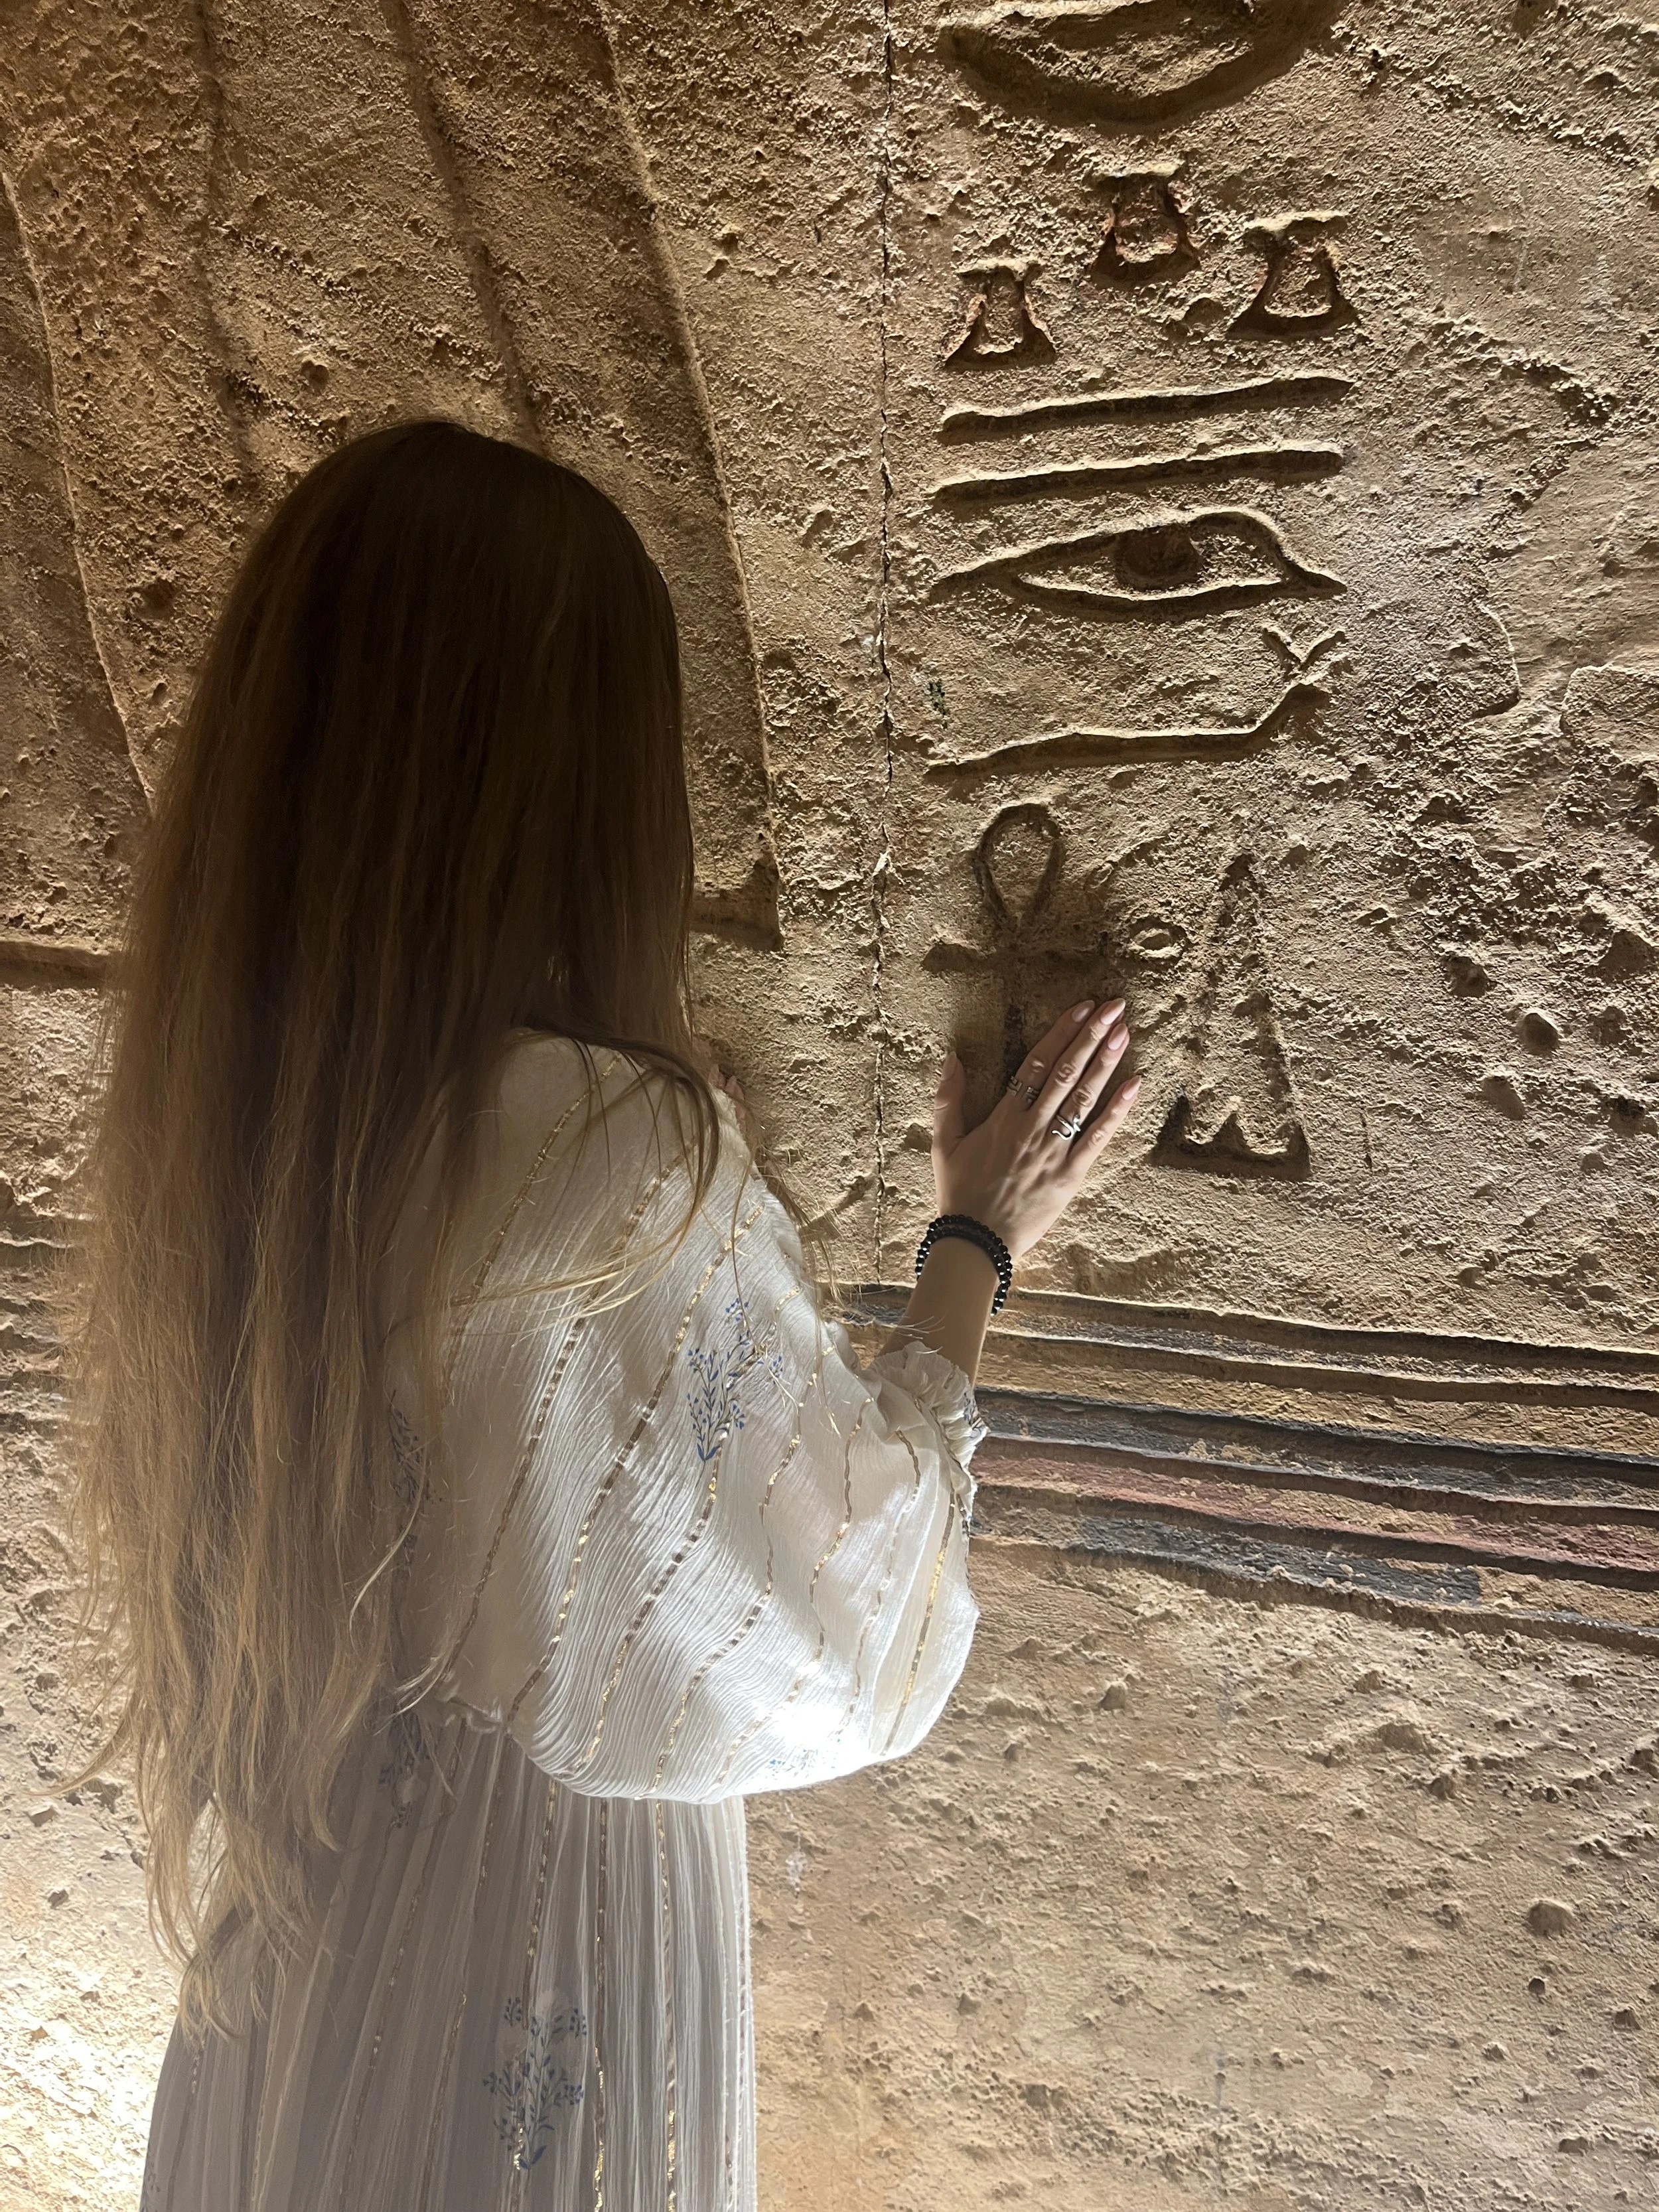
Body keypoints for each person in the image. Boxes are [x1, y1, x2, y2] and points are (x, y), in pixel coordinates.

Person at [59, 419, 1140, 2210]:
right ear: (576, 781)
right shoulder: (609, 1155)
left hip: (306, 1930)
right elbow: (853, 1631)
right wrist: (978, 1238)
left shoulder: (236, 1123)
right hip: (538, 1949)